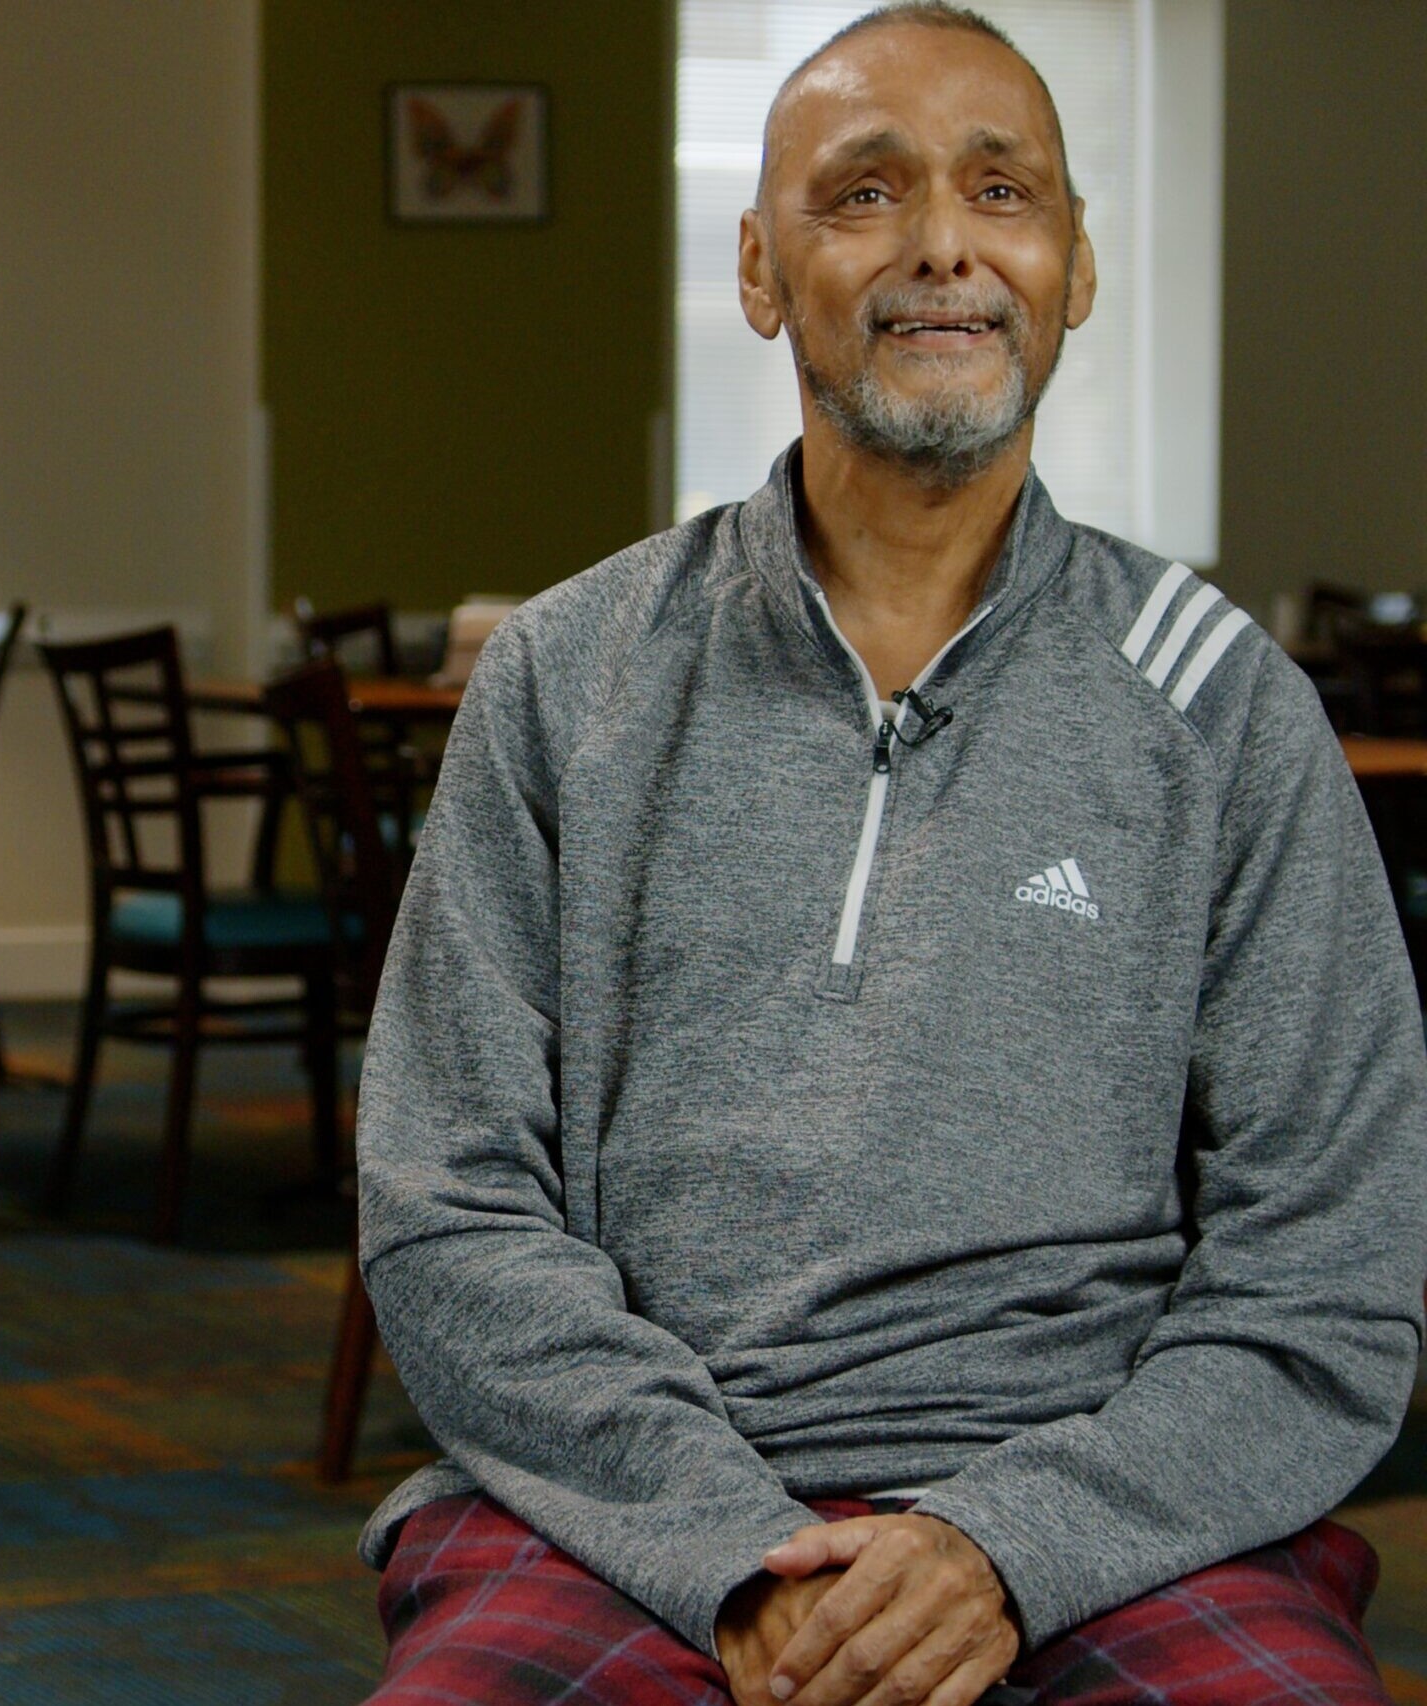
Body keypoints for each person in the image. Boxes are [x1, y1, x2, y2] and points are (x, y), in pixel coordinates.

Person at [354, 7, 1427, 1705]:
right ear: (762, 269)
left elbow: (1331, 1276)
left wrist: (1009, 1546)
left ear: (1076, 265)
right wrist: (725, 1546)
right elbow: (445, 1204)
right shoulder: (569, 682)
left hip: (1105, 1517)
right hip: (632, 1511)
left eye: (1004, 192)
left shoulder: (1226, 714)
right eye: (864, 195)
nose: (943, 244)